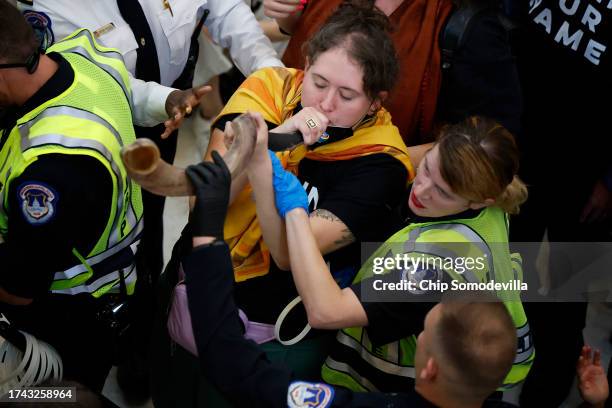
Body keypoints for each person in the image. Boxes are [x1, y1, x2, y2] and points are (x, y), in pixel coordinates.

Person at [15, 0, 283, 398]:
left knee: (148, 233)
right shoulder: (52, 7)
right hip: (83, 137)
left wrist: (269, 77)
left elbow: (223, 10)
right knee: (79, 249)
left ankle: (141, 346)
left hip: (160, 124)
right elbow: (87, 68)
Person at [179, 145, 520, 408]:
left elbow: (235, 366)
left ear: (429, 368)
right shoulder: (489, 212)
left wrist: (209, 235)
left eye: (426, 327)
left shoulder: (433, 271)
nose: (422, 187)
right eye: (427, 166)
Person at [247, 114, 535, 392]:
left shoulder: (438, 267)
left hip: (396, 388)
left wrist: (296, 210)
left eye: (443, 192)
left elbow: (326, 311)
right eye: (427, 170)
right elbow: (400, 159)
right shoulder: (482, 188)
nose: (421, 191)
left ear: (479, 201)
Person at [0, 2, 142, 392]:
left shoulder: (51, 175)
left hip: (69, 314)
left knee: (52, 396)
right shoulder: (80, 58)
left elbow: (17, 289)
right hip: (103, 276)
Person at [503, 1, 612, 406]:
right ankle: (490, 367)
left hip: (586, 169)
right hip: (519, 144)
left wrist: (609, 181)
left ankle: (546, 390)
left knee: (569, 288)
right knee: (509, 263)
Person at [265, 0, 523, 144]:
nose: (330, 101)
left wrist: (382, 161)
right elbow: (306, 45)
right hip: (279, 143)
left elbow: (491, 138)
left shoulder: (468, 27)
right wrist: (286, 17)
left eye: (346, 94)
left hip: (372, 204)